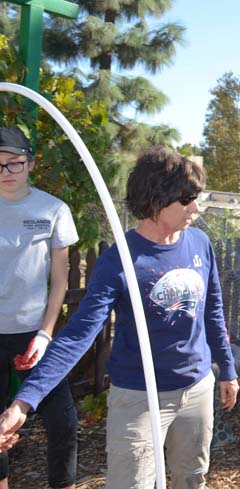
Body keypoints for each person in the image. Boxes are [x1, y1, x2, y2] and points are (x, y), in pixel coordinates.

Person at [0, 146, 239, 489]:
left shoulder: (199, 243)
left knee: (191, 478)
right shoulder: (121, 261)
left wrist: (226, 369)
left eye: (196, 197)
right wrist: (24, 402)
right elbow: (79, 334)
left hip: (197, 389)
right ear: (157, 201)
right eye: (187, 199)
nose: (196, 208)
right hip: (139, 397)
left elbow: (212, 309)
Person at [0, 127, 78, 489]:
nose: (6, 172)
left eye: (14, 163)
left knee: (63, 420)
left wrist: (46, 334)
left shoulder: (53, 209)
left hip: (33, 334)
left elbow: (60, 281)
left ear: (30, 163)